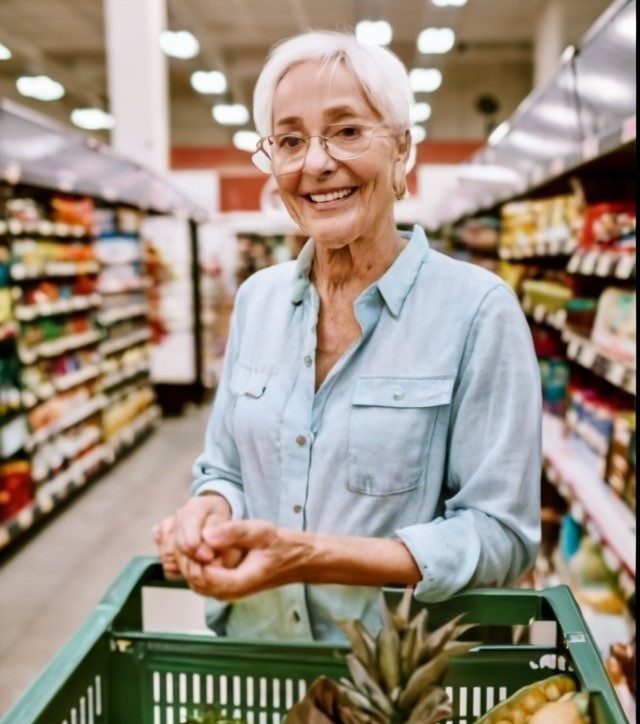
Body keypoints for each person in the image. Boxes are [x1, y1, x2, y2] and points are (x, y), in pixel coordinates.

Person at [153, 30, 542, 641]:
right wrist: (210, 508)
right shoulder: (256, 300)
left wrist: (310, 556)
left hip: (396, 679)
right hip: (256, 657)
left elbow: (502, 534)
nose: (315, 162)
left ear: (402, 151)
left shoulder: (477, 311)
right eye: (289, 140)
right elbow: (223, 468)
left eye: (347, 131)